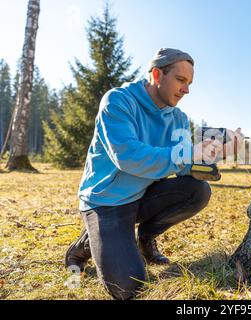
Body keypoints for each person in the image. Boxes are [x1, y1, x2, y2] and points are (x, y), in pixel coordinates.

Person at [64, 48, 222, 300]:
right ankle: (82, 246)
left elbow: (180, 164)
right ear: (157, 74)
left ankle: (145, 238)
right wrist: (189, 154)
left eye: (190, 83)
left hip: (144, 193)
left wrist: (214, 155)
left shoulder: (178, 118)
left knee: (197, 191)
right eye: (181, 80)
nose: (186, 90)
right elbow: (127, 156)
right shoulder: (117, 101)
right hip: (107, 200)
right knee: (129, 287)